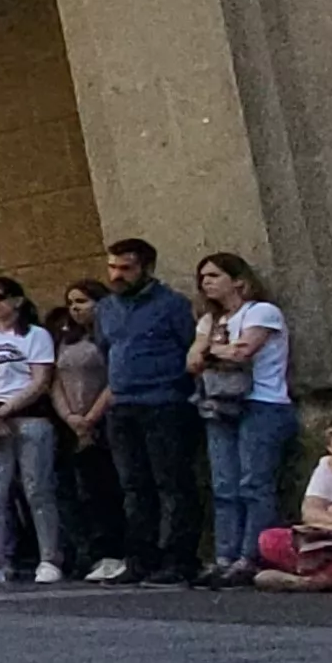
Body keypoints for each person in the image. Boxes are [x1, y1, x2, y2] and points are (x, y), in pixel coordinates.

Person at [94, 238, 202, 586]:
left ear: (146, 269)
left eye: (126, 268)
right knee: (133, 486)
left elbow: (188, 346)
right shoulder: (107, 308)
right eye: (113, 267)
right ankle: (140, 557)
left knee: (172, 484)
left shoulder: (172, 305)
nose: (117, 275)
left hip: (164, 402)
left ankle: (178, 558)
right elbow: (105, 348)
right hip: (122, 404)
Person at [190, 252, 294, 588]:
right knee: (224, 484)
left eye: (215, 275)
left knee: (254, 483)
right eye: (203, 277)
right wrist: (212, 350)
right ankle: (224, 555)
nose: (207, 282)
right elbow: (192, 360)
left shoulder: (261, 312)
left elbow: (243, 351)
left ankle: (252, 555)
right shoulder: (209, 321)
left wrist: (210, 351)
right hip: (220, 403)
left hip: (261, 402)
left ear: (238, 280)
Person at [0, 277, 62, 585]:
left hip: (28, 415)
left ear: (17, 301)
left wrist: (5, 411)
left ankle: (49, 558)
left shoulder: (36, 335)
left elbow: (40, 380)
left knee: (38, 489)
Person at [52, 282, 127, 582]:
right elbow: (54, 378)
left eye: (82, 301)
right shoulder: (66, 338)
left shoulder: (109, 336)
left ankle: (117, 550)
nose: (75, 308)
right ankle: (94, 551)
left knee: (109, 487)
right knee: (83, 491)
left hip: (104, 416)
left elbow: (115, 376)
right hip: (71, 419)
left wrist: (92, 416)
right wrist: (70, 416)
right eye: (71, 302)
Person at [250, 421, 332, 592]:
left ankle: (313, 581)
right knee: (270, 539)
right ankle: (319, 575)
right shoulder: (326, 467)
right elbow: (310, 511)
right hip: (327, 538)